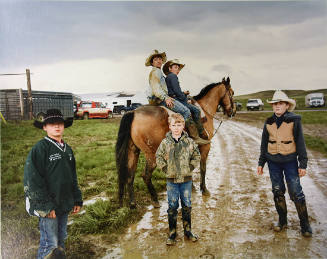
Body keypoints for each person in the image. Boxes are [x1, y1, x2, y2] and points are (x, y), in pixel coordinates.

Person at [24, 109, 83, 258]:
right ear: (45, 127)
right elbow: (33, 180)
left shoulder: (67, 149)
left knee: (61, 239)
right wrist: (45, 206)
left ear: (64, 126)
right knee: (49, 244)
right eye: (51, 124)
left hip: (63, 203)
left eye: (59, 124)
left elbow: (72, 177)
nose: (56, 127)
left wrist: (76, 199)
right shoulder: (40, 149)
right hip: (48, 206)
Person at [257, 90, 312, 237]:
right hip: (273, 162)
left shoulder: (295, 120)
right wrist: (261, 163)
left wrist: (303, 164)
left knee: (295, 191)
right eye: (275, 104)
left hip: (290, 162)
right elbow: (264, 144)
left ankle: (305, 225)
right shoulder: (268, 122)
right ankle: (282, 221)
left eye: (280, 103)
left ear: (287, 105)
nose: (277, 106)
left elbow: (300, 143)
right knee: (277, 190)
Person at [145, 50, 209, 145]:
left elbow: (164, 88)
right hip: (159, 99)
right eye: (155, 59)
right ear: (152, 62)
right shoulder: (156, 72)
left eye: (160, 59)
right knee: (186, 111)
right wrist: (165, 98)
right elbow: (156, 88)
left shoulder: (159, 72)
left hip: (159, 98)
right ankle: (195, 138)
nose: (158, 61)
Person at [156, 113, 201, 245]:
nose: (176, 128)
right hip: (172, 181)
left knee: (187, 205)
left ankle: (188, 231)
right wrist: (165, 169)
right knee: (172, 206)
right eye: (174, 125)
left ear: (183, 126)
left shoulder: (189, 142)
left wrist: (191, 167)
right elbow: (158, 156)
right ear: (169, 126)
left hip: (186, 181)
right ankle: (172, 233)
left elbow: (196, 155)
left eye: (179, 125)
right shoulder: (165, 143)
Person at [163, 59, 209, 144]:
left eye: (178, 68)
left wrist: (183, 93)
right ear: (170, 69)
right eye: (176, 67)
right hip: (176, 99)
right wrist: (185, 98)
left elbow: (175, 91)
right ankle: (197, 135)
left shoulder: (169, 77)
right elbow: (176, 92)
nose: (178, 69)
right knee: (196, 110)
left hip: (176, 97)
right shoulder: (173, 76)